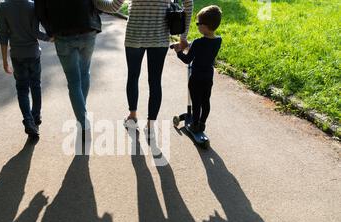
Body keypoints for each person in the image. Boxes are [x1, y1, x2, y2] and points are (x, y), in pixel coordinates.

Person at [35, 0, 124, 140]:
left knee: (73, 81)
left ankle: (83, 122)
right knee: (84, 72)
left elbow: (39, 10)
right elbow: (99, 4)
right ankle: (82, 112)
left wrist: (49, 31)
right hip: (87, 28)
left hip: (61, 33)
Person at [123, 0, 193, 139]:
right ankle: (150, 126)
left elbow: (114, 6)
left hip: (134, 36)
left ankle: (132, 117)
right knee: (155, 81)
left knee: (133, 77)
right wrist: (183, 37)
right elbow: (189, 4)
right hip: (159, 38)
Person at [0, 0, 53, 138]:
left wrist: (5, 60)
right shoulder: (32, 5)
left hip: (17, 56)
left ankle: (28, 121)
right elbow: (35, 32)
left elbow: (4, 35)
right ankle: (35, 117)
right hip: (33, 54)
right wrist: (50, 38)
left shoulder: (3, 7)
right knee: (36, 85)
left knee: (22, 89)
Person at [173, 5, 222, 133]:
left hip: (196, 78)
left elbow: (187, 60)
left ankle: (194, 124)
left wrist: (179, 52)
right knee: (205, 102)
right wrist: (190, 45)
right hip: (208, 78)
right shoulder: (218, 41)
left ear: (204, 26)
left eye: (198, 23)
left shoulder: (197, 43)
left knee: (196, 103)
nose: (197, 25)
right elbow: (203, 49)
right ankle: (202, 124)